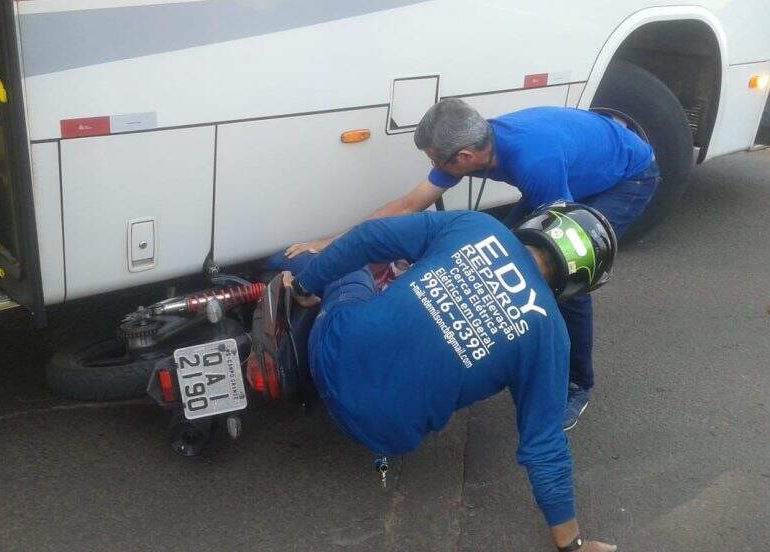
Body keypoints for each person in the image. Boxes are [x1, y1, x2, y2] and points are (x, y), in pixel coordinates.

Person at [257, 203, 617, 551]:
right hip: (385, 434)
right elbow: (545, 446)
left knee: (347, 269)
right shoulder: (550, 335)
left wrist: (306, 286)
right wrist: (571, 545)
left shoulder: (477, 227)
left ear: (541, 222)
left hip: (330, 356)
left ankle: (268, 269)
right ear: (577, 283)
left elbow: (369, 237)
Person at [287, 99, 660, 430]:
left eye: (435, 160)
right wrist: (330, 242)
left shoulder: (534, 161)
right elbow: (407, 207)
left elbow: (562, 243)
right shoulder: (475, 146)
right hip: (574, 168)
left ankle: (577, 384)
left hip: (626, 177)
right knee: (500, 248)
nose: (433, 167)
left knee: (565, 274)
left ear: (465, 157)